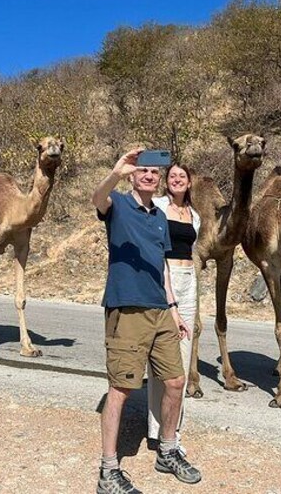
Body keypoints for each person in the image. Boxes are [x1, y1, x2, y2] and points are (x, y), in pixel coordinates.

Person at [91, 148, 202, 494]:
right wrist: (117, 171)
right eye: (143, 171)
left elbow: (161, 266)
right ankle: (108, 471)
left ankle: (167, 450)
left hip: (160, 309)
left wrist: (174, 309)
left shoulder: (159, 217)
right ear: (134, 176)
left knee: (174, 381)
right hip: (127, 308)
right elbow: (98, 198)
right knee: (122, 389)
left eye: (155, 172)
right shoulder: (119, 205)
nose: (150, 176)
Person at [147, 164, 201, 453]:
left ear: (190, 182)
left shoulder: (195, 217)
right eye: (172, 176)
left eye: (182, 176)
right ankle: (156, 429)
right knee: (160, 358)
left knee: (183, 353)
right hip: (163, 279)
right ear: (166, 182)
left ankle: (174, 428)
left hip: (188, 281)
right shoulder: (156, 207)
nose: (177, 179)